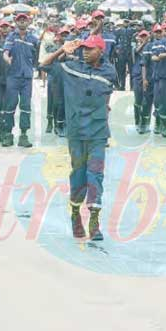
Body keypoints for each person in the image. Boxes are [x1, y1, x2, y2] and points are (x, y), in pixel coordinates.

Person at [40, 35, 117, 241]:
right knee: (79, 176)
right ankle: (75, 215)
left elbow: (107, 92)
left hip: (98, 132)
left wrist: (105, 108)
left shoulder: (109, 72)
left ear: (101, 51)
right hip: (76, 132)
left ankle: (94, 220)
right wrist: (61, 50)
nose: (84, 51)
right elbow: (44, 64)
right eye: (83, 48)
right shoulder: (70, 67)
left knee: (96, 174)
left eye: (90, 48)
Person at [2, 13, 39, 148]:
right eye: (20, 20)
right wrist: (7, 58)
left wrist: (35, 68)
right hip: (13, 76)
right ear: (16, 23)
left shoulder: (34, 39)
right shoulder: (12, 37)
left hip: (27, 77)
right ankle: (8, 134)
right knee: (10, 105)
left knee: (25, 106)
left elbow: (37, 56)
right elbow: (6, 51)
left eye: (24, 20)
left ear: (28, 22)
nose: (22, 22)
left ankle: (23, 135)